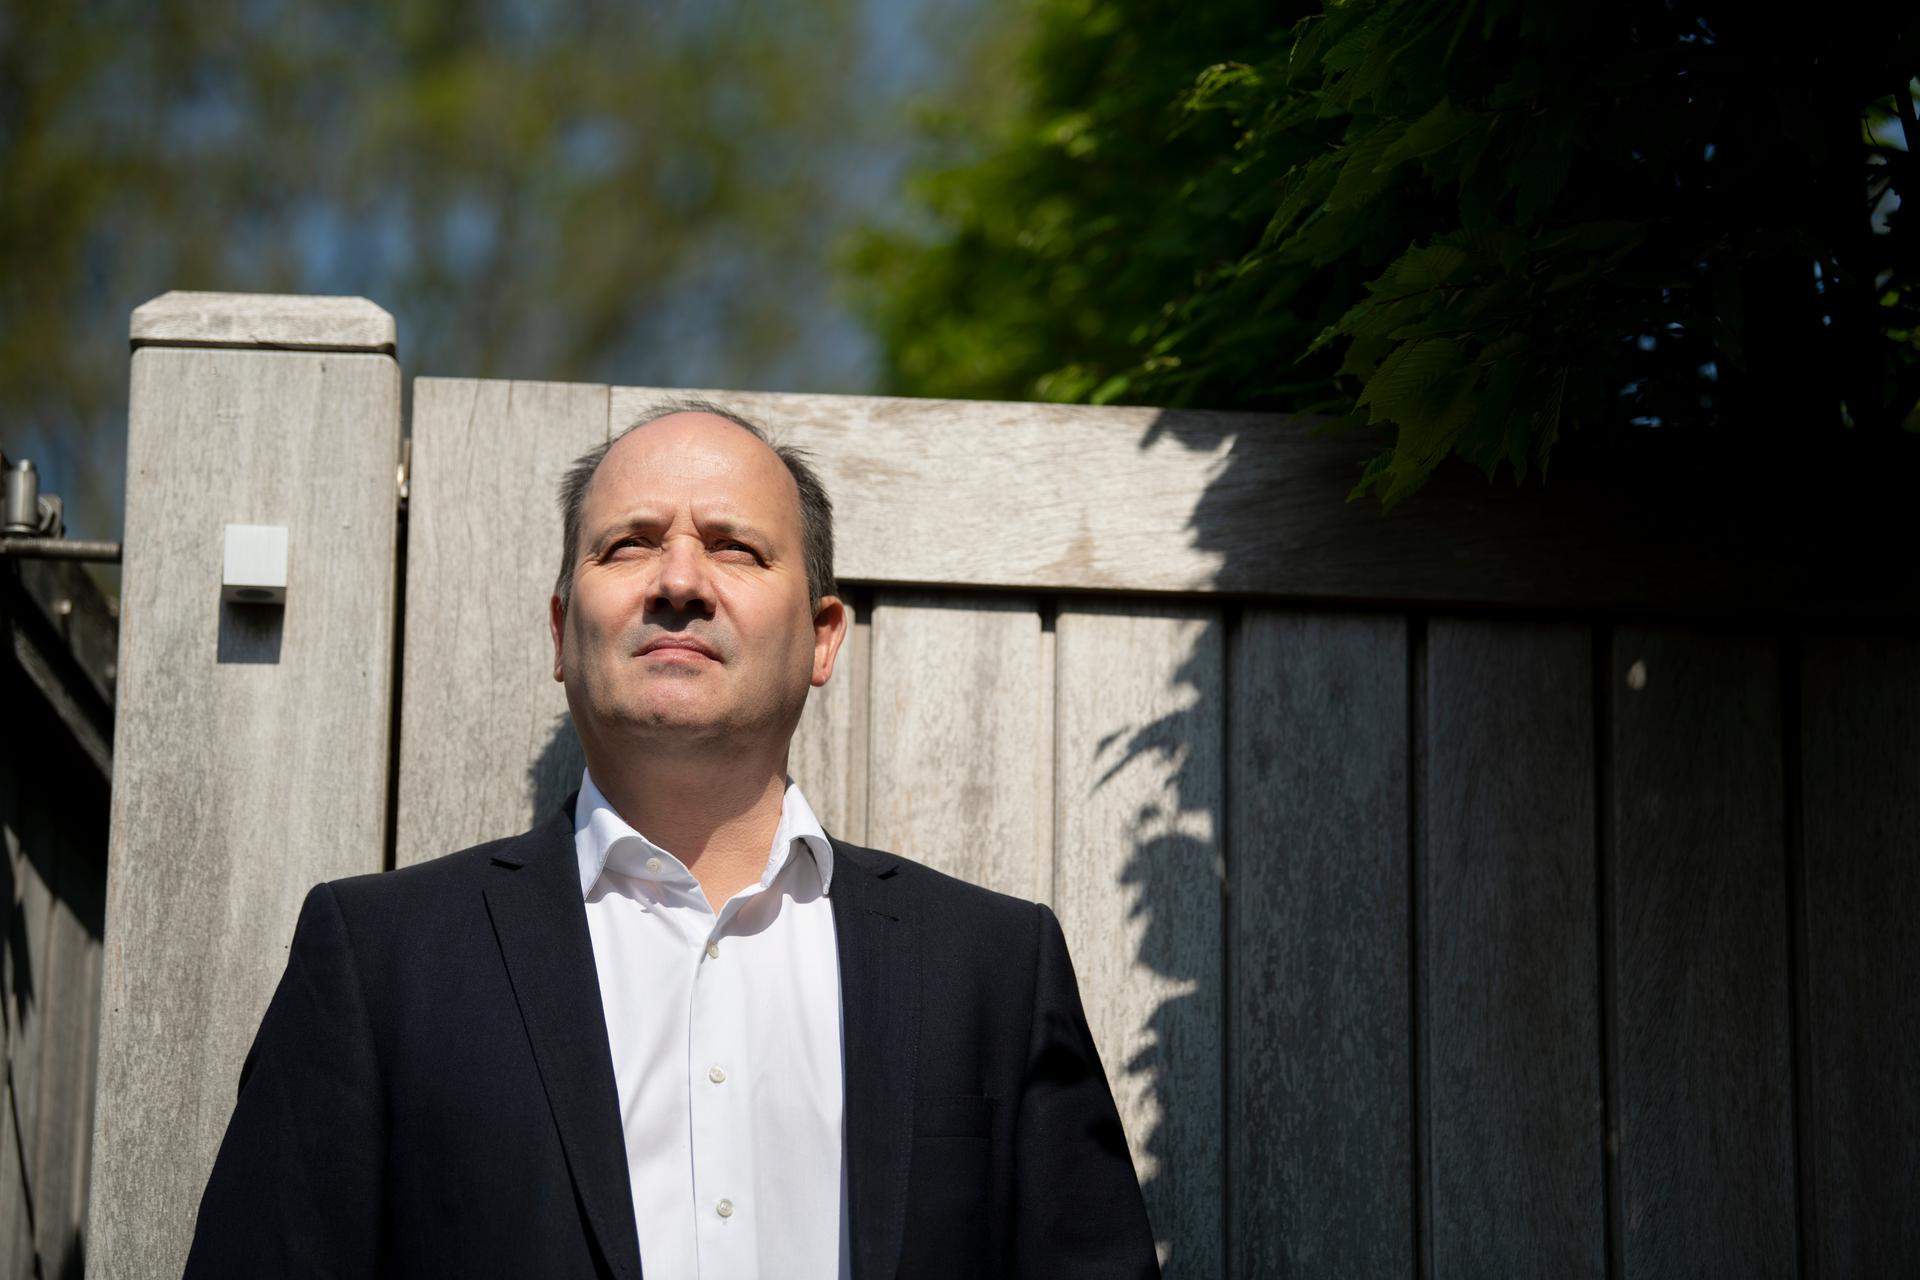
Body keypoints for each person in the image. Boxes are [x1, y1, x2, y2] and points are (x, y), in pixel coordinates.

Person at [183, 402, 1159, 1278]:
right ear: (563, 633)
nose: (680, 580)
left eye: (735, 546)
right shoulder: (379, 958)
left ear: (824, 636)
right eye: (630, 545)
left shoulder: (991, 968)